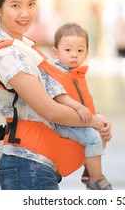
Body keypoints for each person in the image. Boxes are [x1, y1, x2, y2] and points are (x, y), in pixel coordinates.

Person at [0, 0, 112, 190]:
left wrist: (95, 122)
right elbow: (49, 110)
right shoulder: (7, 55)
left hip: (39, 163)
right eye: (15, 5)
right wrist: (92, 121)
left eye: (31, 4)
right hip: (27, 165)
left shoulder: (24, 46)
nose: (25, 13)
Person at [40, 23, 113, 190]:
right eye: (68, 50)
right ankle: (96, 180)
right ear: (56, 52)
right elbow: (59, 96)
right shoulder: (54, 71)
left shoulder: (76, 73)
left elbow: (84, 101)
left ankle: (88, 170)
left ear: (87, 53)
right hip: (63, 122)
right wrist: (80, 109)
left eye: (80, 51)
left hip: (80, 119)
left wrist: (98, 117)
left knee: (102, 132)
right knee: (93, 137)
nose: (74, 55)